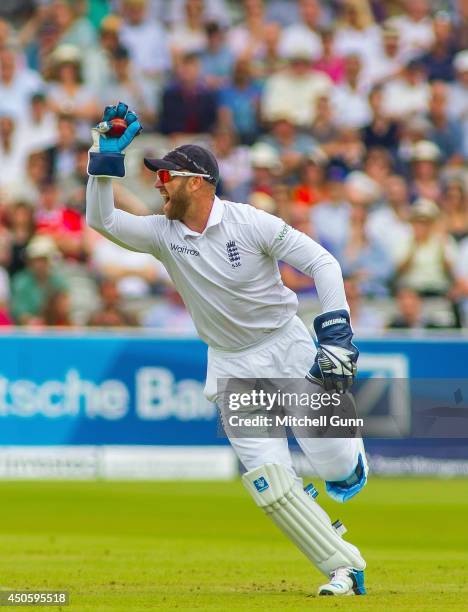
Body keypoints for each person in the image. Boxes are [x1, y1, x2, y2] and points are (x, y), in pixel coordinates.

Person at [86, 103, 368, 597]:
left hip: (289, 348)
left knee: (338, 468)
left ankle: (349, 463)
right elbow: (102, 220)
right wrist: (101, 158)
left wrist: (337, 334)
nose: (157, 184)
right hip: (233, 365)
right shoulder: (163, 234)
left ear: (197, 182)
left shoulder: (249, 222)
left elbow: (323, 263)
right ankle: (343, 567)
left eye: (165, 175)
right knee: (270, 485)